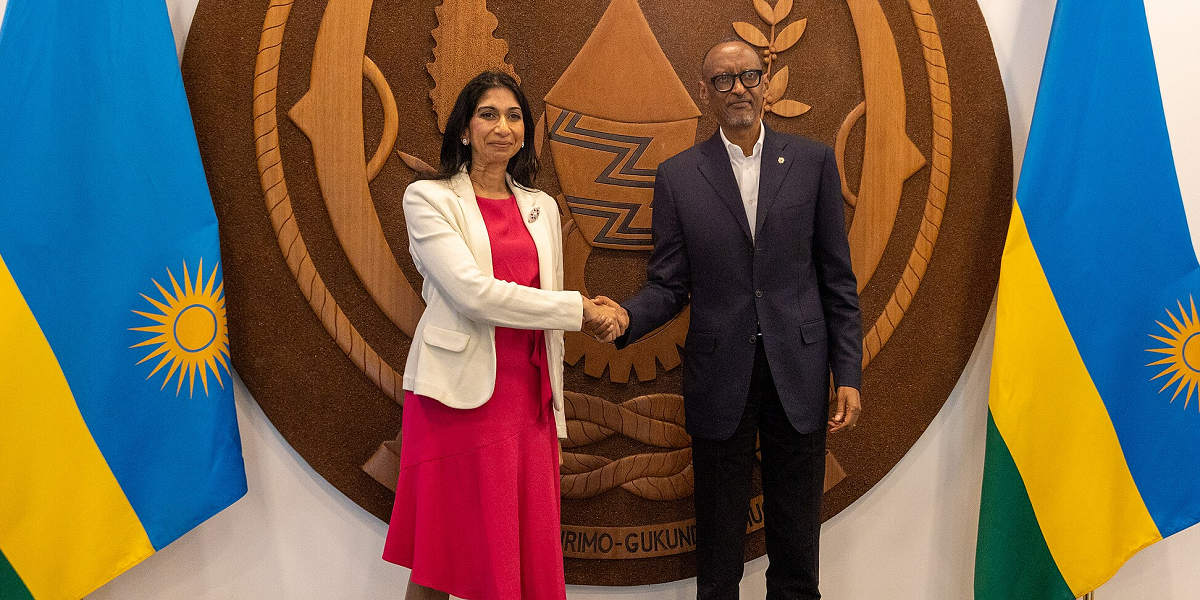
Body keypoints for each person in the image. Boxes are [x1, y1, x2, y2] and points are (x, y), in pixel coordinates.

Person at [596, 41, 864, 599]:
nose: (738, 88)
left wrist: (850, 374)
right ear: (706, 92)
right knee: (719, 550)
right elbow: (669, 283)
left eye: (748, 76)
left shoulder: (812, 162)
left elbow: (837, 279)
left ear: (766, 81)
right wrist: (626, 316)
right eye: (723, 80)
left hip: (800, 371)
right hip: (720, 378)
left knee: (796, 545)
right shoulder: (678, 176)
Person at [381, 70, 620, 600]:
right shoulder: (428, 198)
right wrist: (578, 309)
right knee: (438, 559)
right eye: (488, 114)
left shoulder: (543, 207)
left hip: (526, 398)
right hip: (455, 399)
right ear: (463, 130)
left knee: (522, 557)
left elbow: (547, 320)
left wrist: (556, 407)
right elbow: (474, 295)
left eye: (514, 116)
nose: (502, 127)